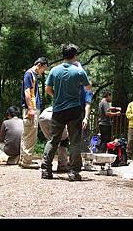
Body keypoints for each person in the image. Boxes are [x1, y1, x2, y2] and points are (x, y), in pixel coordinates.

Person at [41, 43, 91, 181]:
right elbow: (88, 88)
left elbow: (47, 89)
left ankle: (46, 170)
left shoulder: (54, 70)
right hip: (74, 109)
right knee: (75, 141)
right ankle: (74, 172)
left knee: (53, 139)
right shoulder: (79, 71)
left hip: (58, 110)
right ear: (75, 56)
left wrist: (56, 96)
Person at [19, 57, 49, 169]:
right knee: (31, 135)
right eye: (44, 68)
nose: (43, 71)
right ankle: (27, 161)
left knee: (26, 134)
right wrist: (31, 108)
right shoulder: (29, 74)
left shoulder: (31, 75)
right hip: (31, 109)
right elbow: (27, 92)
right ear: (40, 65)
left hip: (30, 108)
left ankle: (23, 159)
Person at [38, 106, 70, 173]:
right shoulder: (71, 105)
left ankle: (45, 163)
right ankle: (63, 165)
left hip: (42, 117)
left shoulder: (60, 101)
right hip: (54, 116)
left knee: (51, 140)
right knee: (64, 140)